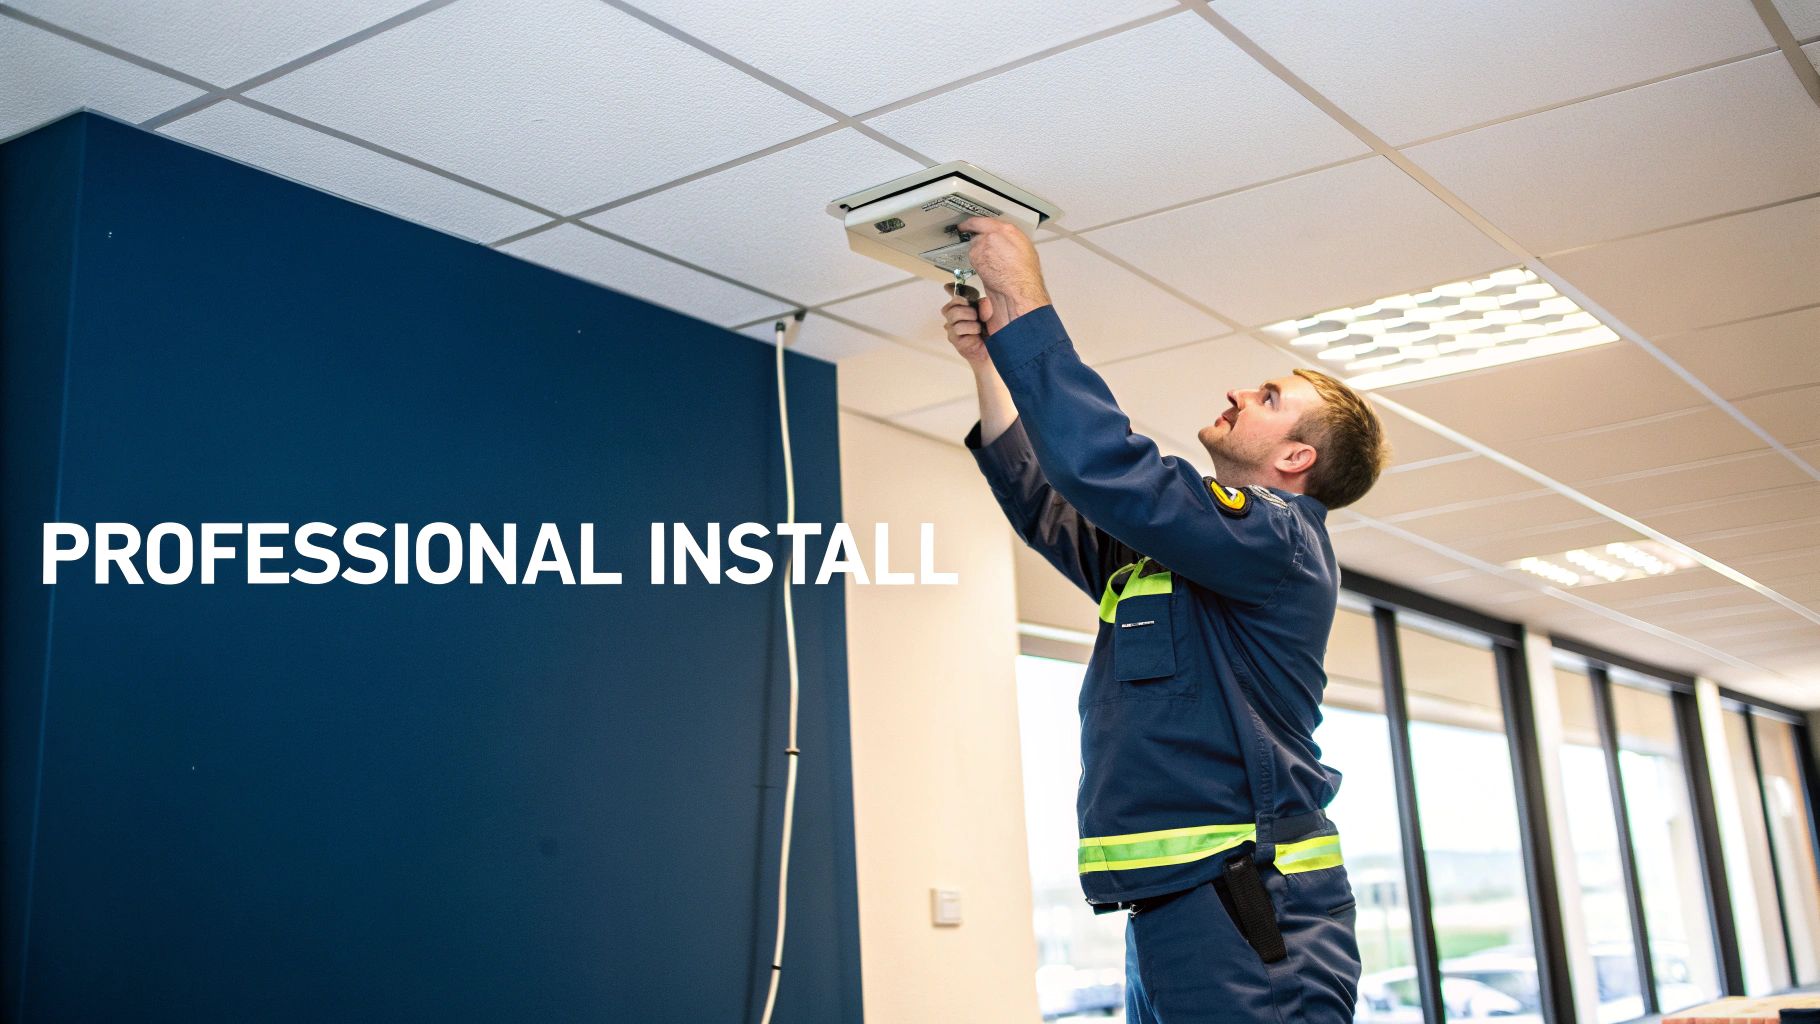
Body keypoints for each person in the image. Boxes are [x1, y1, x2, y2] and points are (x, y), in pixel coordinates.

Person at [941, 216, 1389, 1024]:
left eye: (1269, 398)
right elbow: (1054, 505)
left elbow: (1109, 469)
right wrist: (990, 366)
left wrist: (1023, 297)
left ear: (1295, 459)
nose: (1239, 393)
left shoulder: (1278, 538)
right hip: (1185, 904)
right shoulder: (1180, 562)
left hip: (1253, 906)